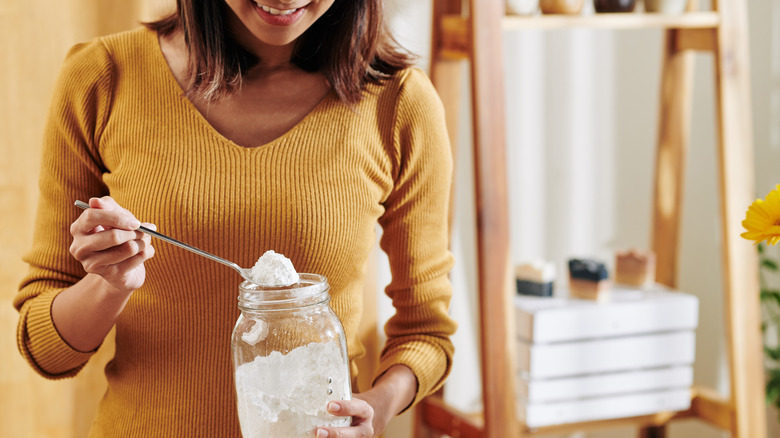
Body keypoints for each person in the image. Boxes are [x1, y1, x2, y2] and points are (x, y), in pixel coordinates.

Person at [13, 0, 456, 437]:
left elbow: (426, 331)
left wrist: (376, 408)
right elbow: (47, 352)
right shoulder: (103, 76)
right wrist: (109, 284)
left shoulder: (400, 103)